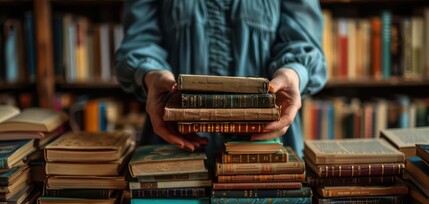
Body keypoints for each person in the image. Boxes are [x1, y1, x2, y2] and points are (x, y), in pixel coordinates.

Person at [115, 0, 327, 158]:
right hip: (173, 146)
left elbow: (304, 44)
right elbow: (139, 42)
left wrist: (293, 73)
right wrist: (152, 77)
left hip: (267, 145)